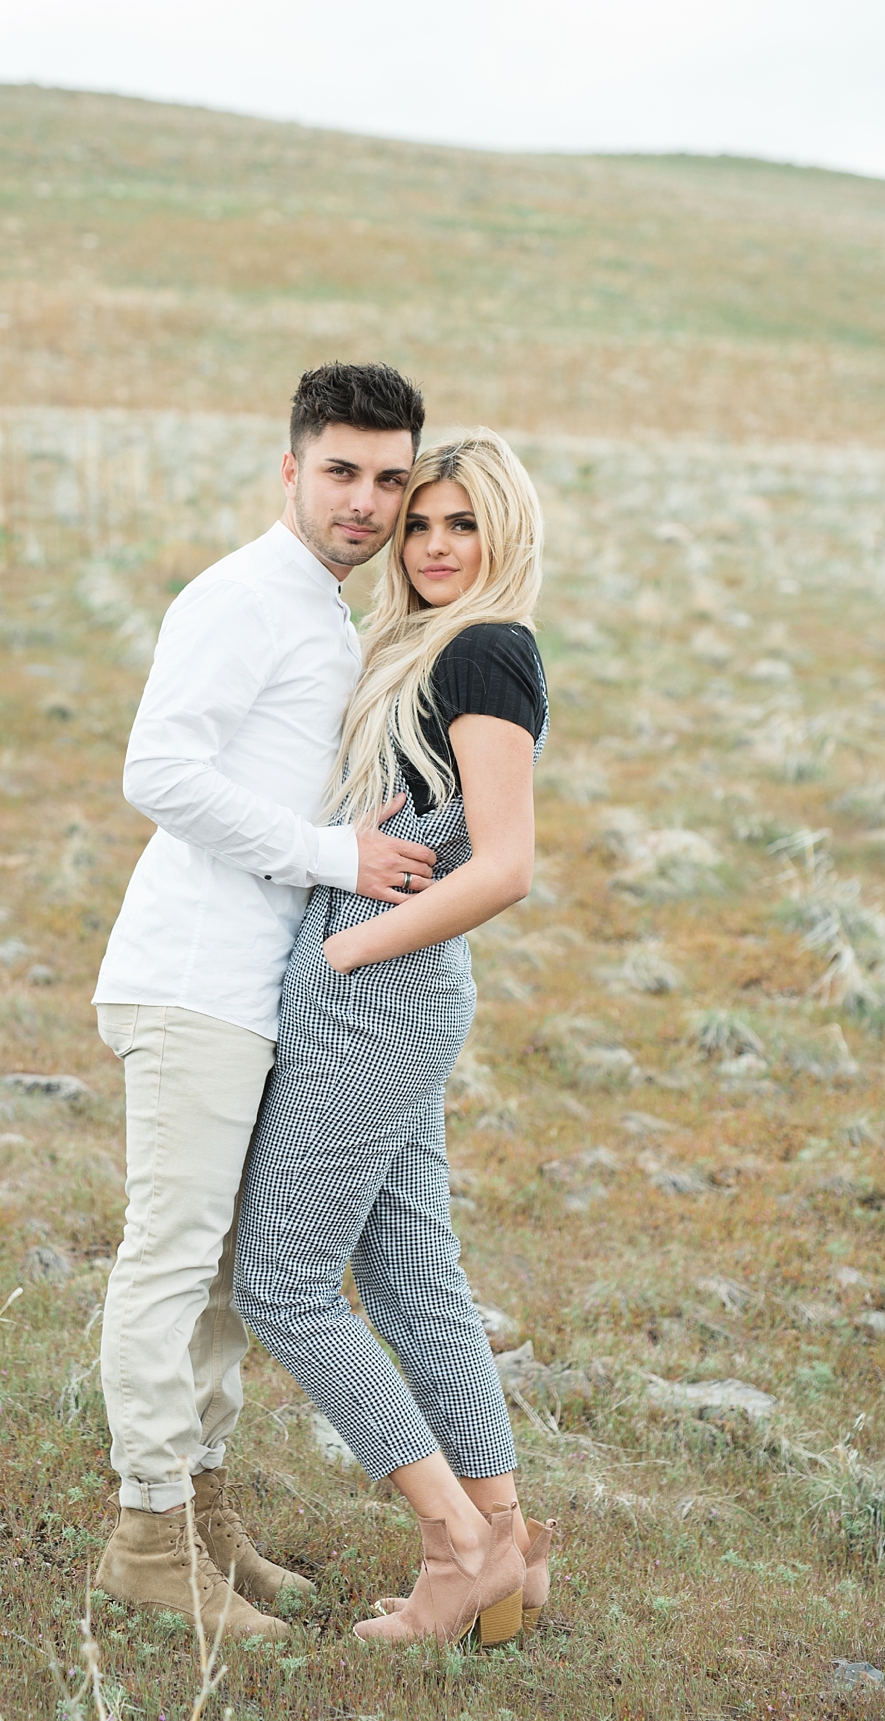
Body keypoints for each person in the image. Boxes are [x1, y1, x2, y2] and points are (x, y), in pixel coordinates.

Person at [86, 362, 440, 1639]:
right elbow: (158, 771)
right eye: (339, 470)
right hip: (193, 979)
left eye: (388, 479)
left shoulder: (329, 614)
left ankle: (204, 1514)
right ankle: (144, 1533)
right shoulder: (242, 597)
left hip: (258, 986)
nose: (364, 500)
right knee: (173, 1255)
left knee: (237, 1270)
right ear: (288, 468)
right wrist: (336, 857)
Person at [234, 431, 552, 1646]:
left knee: (285, 1283)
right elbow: (442, 818)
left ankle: (454, 1551)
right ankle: (509, 1544)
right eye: (419, 523)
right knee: (413, 1273)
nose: (429, 545)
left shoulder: (484, 651)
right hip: (393, 990)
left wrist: (345, 948)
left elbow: (507, 863)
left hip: (376, 992)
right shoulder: (431, 647)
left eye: (458, 524)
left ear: (503, 534)